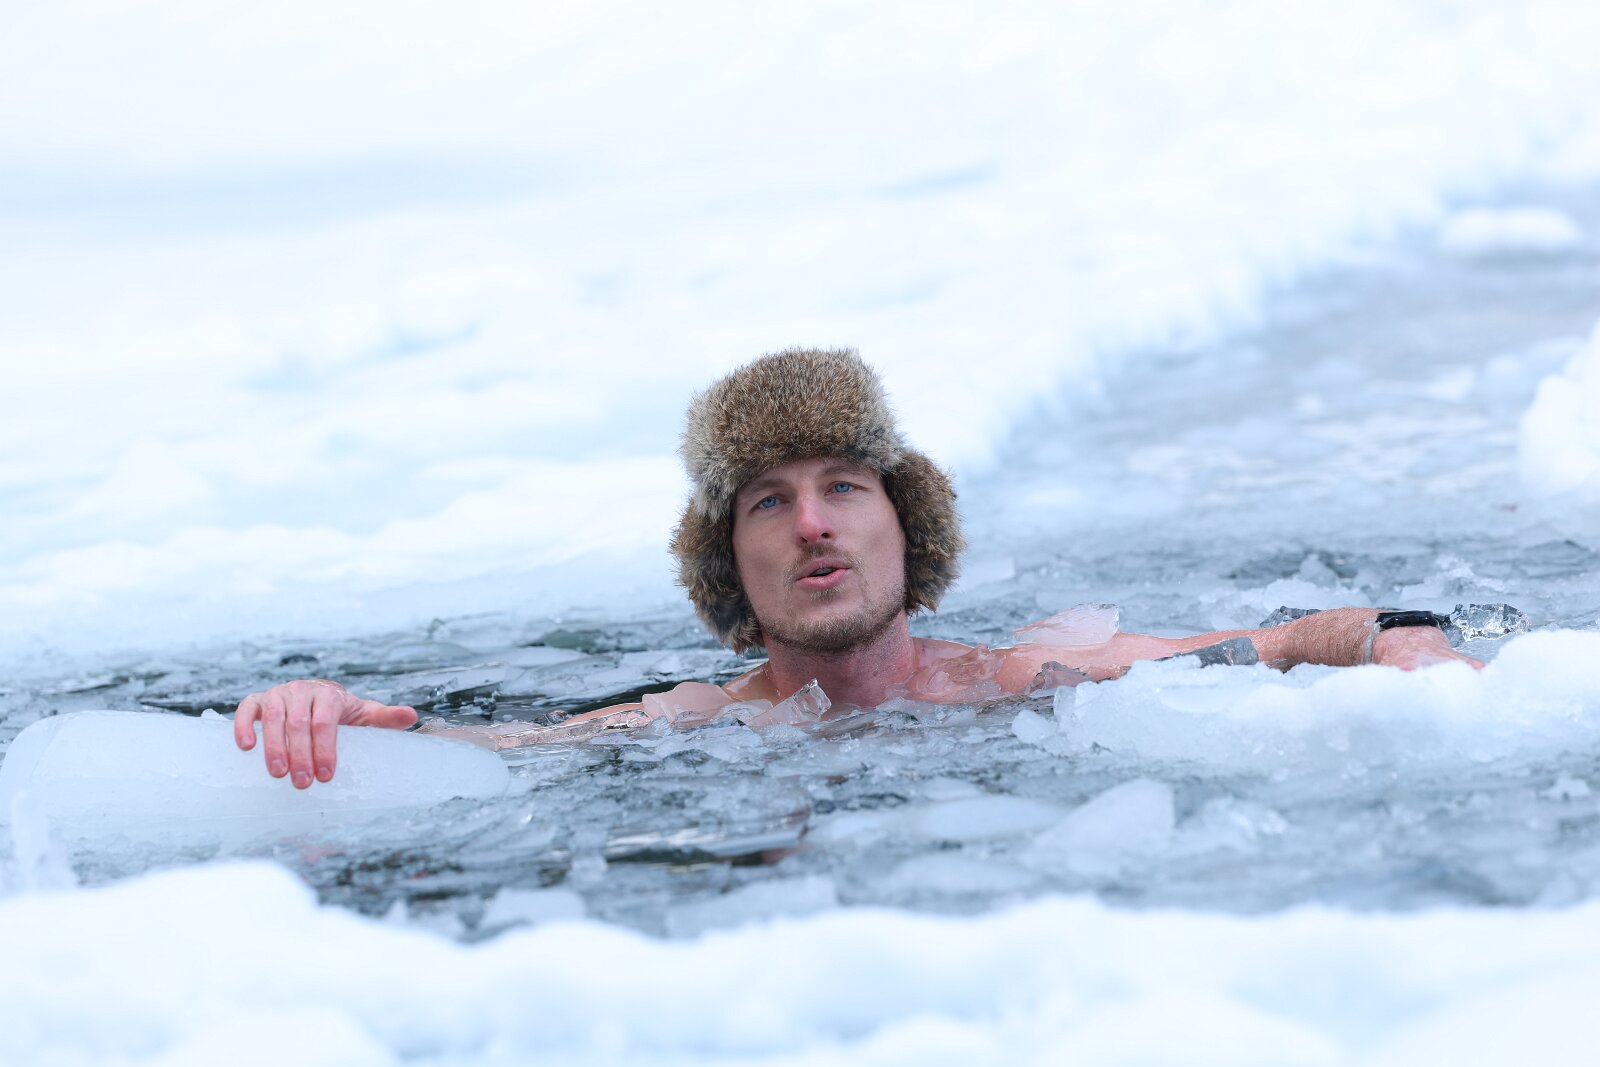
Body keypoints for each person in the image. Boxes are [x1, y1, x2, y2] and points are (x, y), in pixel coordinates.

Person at [235, 348, 1483, 787]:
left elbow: (1284, 640)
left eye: (842, 484)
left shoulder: (1023, 677)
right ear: (729, 563)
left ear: (905, 524)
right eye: (767, 500)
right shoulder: (694, 723)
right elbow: (492, 747)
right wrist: (342, 713)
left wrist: (1403, 637)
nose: (811, 524)